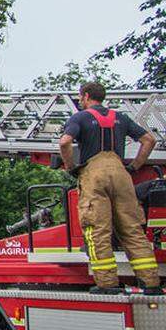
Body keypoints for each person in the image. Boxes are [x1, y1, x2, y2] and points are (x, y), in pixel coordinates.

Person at [59, 81, 161, 294]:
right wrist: (134, 166)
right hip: (121, 175)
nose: (79, 101)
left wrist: (70, 167)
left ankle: (107, 285)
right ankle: (150, 283)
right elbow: (149, 140)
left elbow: (64, 142)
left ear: (86, 96)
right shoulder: (120, 117)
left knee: (98, 231)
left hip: (94, 176)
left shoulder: (80, 117)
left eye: (80, 97)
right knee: (133, 231)